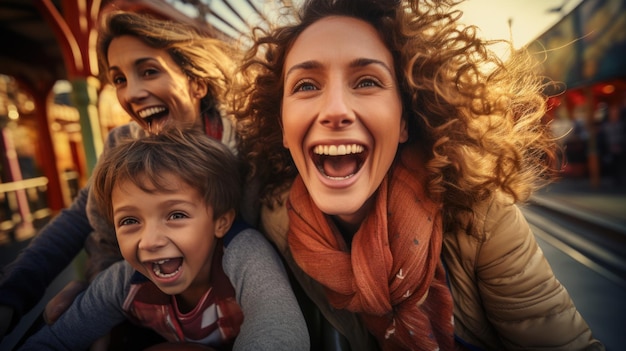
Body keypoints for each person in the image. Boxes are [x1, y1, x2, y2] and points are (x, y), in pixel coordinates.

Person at [231, 0, 605, 350]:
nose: (335, 110)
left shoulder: (482, 215)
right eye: (306, 85)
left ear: (404, 120)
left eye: (366, 81)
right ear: (282, 125)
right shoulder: (274, 223)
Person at [0, 11, 276, 347]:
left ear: (196, 82)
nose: (132, 92)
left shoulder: (249, 146)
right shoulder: (124, 144)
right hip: (151, 308)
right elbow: (78, 221)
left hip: (237, 310)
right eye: (119, 80)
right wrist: (13, 293)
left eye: (149, 71)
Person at [17, 128, 308, 351]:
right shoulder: (122, 283)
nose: (150, 241)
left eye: (176, 215)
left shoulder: (245, 255)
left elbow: (279, 330)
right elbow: (55, 340)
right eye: (130, 221)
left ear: (221, 222)